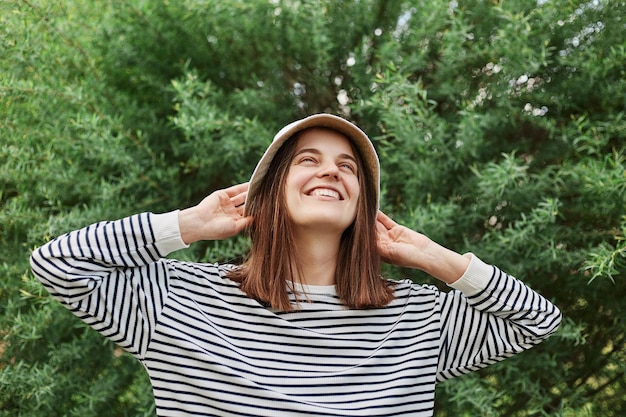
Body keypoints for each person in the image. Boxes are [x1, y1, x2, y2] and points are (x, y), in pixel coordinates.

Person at [30, 113, 562, 417]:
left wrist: (435, 259)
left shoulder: (419, 318)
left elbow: (538, 320)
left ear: (362, 202)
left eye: (347, 167)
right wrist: (186, 225)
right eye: (308, 160)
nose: (330, 172)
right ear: (270, 192)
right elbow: (57, 265)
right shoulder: (176, 301)